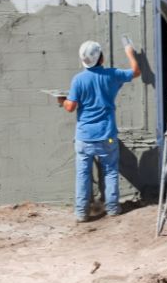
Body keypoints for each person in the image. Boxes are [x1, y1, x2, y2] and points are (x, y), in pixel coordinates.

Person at [59, 39, 140, 222]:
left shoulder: (78, 79)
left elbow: (70, 107)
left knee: (83, 175)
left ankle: (81, 213)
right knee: (111, 171)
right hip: (107, 136)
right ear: (101, 58)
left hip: (84, 137)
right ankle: (112, 209)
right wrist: (129, 51)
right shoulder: (112, 75)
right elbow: (136, 72)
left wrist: (62, 101)